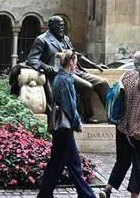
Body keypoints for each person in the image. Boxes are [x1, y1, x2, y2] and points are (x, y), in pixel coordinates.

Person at [36, 50, 97, 198]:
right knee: (58, 163)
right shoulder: (67, 80)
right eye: (75, 60)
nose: (76, 63)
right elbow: (70, 107)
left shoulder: (60, 77)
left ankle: (85, 195)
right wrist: (78, 123)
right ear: (70, 62)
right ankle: (45, 194)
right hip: (65, 128)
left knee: (73, 164)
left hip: (61, 127)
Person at [26, 15, 109, 123]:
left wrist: (95, 65)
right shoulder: (42, 40)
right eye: (59, 26)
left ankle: (112, 115)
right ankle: (88, 117)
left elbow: (76, 55)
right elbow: (32, 59)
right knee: (87, 87)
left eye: (63, 25)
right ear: (51, 27)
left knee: (102, 82)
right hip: (61, 73)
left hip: (76, 70)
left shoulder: (65, 39)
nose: (62, 28)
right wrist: (46, 67)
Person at [101, 51, 140, 198]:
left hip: (122, 127)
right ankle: (134, 196)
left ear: (134, 63)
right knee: (138, 165)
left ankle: (107, 188)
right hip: (138, 132)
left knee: (122, 160)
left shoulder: (125, 77)